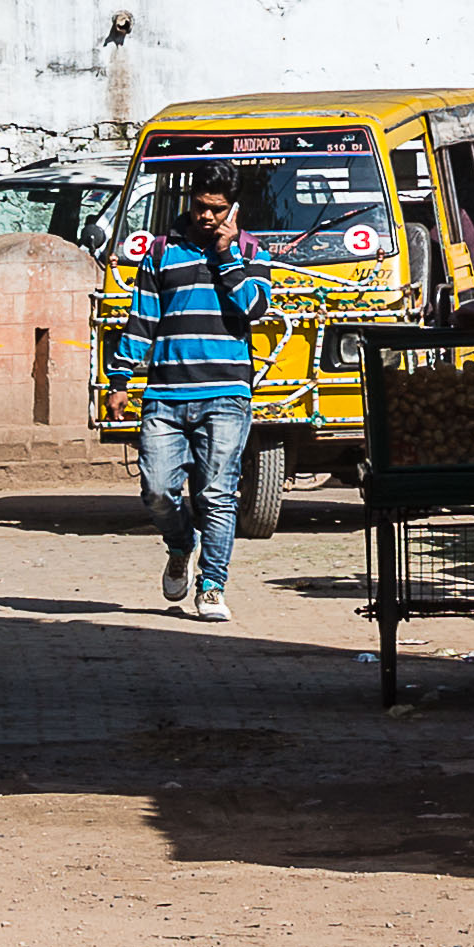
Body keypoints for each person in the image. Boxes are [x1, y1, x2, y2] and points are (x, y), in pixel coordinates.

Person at [114, 172, 277, 615]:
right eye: (201, 206)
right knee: (157, 490)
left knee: (217, 494)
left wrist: (226, 254)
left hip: (226, 395)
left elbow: (255, 307)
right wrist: (120, 378)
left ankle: (212, 585)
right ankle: (181, 544)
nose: (207, 216)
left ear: (233, 210)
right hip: (165, 394)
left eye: (218, 210)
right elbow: (142, 317)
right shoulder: (161, 250)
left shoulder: (250, 251)